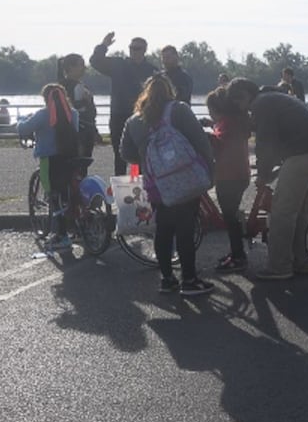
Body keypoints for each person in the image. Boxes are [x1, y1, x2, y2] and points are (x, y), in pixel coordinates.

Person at [228, 77, 308, 280]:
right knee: (302, 210)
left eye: (238, 102)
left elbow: (266, 143)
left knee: (281, 212)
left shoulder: (261, 104)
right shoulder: (275, 96)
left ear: (245, 96)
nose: (242, 109)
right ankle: (303, 262)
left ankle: (280, 266)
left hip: (302, 153)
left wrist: (263, 174)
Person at [120, 75, 215, 296]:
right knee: (185, 228)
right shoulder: (179, 110)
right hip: (185, 177)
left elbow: (125, 153)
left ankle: (167, 279)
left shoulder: (134, 120)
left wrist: (146, 158)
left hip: (156, 183)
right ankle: (189, 280)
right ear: (169, 90)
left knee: (163, 229)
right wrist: (209, 169)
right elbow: (200, 141)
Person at [17, 84, 79, 251]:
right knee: (69, 192)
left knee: (54, 195)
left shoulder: (42, 115)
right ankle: (78, 226)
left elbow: (23, 128)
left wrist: (21, 120)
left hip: (50, 161)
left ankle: (62, 235)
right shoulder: (73, 114)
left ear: (45, 99)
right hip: (71, 159)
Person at [90, 32, 158, 176]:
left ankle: (145, 189)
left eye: (137, 48)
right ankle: (119, 189)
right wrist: (103, 46)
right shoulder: (118, 64)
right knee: (120, 154)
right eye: (131, 48)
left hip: (143, 117)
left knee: (143, 153)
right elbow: (95, 61)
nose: (134, 51)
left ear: (144, 50)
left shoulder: (152, 70)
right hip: (119, 116)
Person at [204, 86, 252, 273]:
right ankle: (235, 252)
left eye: (211, 111)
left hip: (229, 176)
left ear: (218, 110)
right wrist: (211, 125)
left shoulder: (227, 124)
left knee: (230, 218)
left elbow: (219, 144)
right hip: (239, 174)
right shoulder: (234, 121)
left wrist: (204, 135)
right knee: (231, 217)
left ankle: (238, 256)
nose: (210, 114)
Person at [58, 53, 98, 171]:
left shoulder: (60, 85)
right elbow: (78, 109)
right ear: (70, 67)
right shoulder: (76, 86)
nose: (84, 68)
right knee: (81, 164)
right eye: (81, 65)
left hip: (67, 131)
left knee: (70, 165)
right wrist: (87, 102)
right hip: (81, 131)